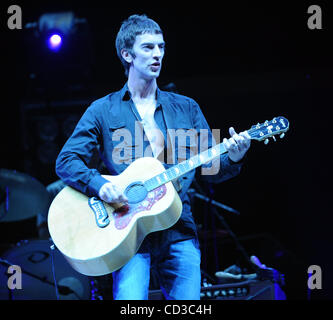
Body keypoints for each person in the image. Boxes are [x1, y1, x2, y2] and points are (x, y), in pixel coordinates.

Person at [55, 14, 251, 300]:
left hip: (179, 230)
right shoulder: (102, 110)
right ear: (127, 54)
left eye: (161, 46)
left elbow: (212, 169)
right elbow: (66, 161)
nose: (157, 54)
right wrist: (100, 184)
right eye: (148, 47)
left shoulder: (187, 108)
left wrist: (233, 157)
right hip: (127, 234)